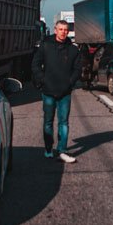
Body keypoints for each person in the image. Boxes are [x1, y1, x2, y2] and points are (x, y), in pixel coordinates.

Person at [31, 20, 82, 163]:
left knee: (64, 122)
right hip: (48, 91)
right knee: (48, 121)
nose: (63, 32)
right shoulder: (46, 46)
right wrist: (42, 79)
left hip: (65, 92)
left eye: (66, 30)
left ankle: (62, 150)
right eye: (60, 29)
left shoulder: (73, 50)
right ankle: (48, 149)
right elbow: (35, 64)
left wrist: (70, 82)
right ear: (55, 30)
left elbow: (78, 69)